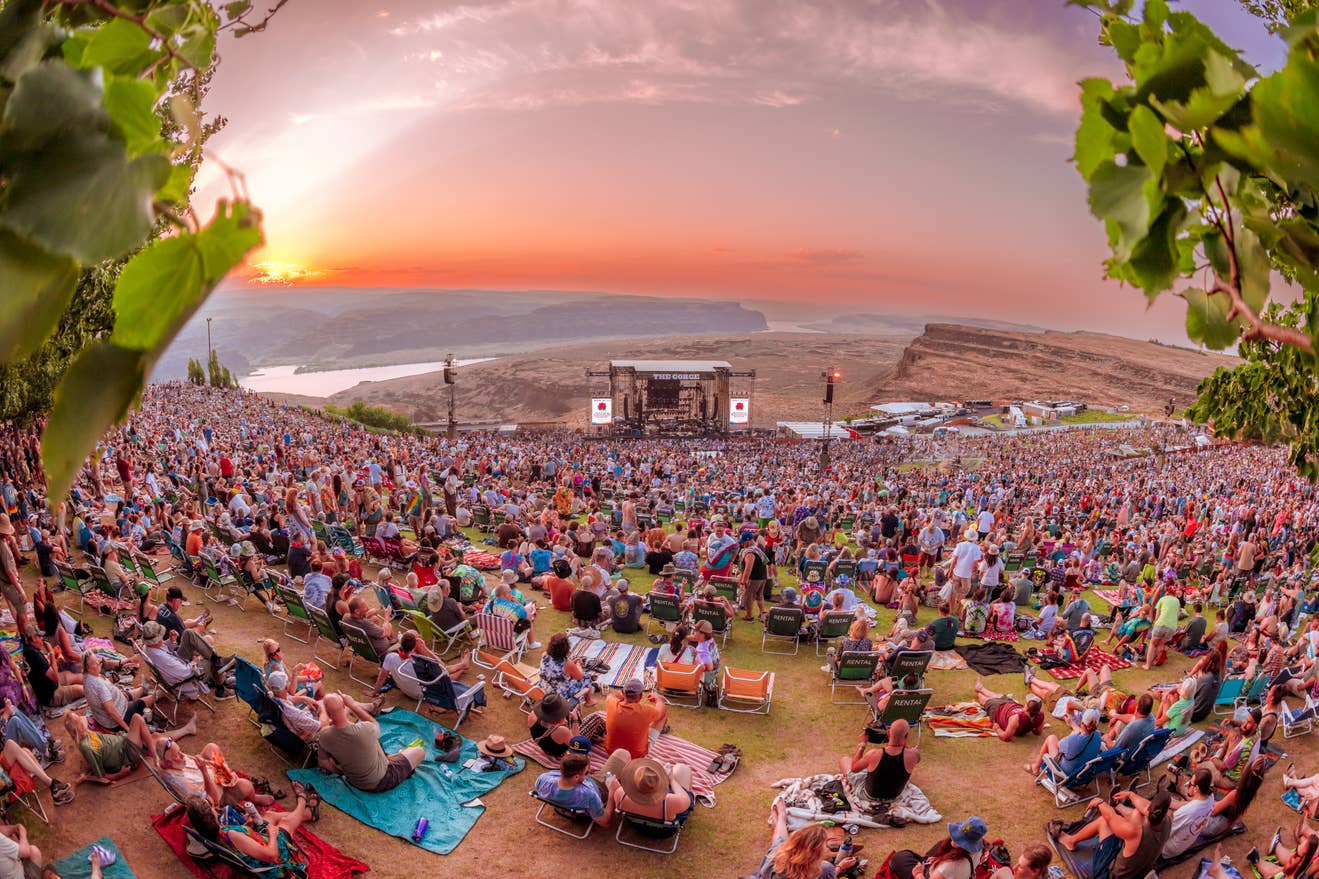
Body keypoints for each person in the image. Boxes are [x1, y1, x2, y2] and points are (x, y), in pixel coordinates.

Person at [1055, 788, 1173, 879]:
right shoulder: (1169, 818)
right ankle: (1119, 806)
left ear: (1149, 808)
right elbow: (1146, 808)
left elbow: (1110, 816)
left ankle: (1070, 841)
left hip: (1109, 875)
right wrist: (1131, 795)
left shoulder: (1135, 832)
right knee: (1136, 813)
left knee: (1104, 822)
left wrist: (1100, 802)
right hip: (1138, 874)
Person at [317, 692, 423, 793]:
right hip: (381, 780)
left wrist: (341, 772)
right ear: (344, 706)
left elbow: (324, 762)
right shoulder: (365, 729)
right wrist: (353, 705)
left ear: (328, 714)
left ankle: (394, 758)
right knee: (419, 751)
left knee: (373, 741)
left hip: (354, 781)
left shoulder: (324, 735)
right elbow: (374, 723)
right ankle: (399, 763)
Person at [751, 799, 854, 879]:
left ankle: (780, 820)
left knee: (779, 843)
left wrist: (781, 818)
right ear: (816, 855)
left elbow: (779, 840)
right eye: (824, 846)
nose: (826, 848)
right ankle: (779, 821)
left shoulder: (775, 857)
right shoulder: (825, 870)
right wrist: (840, 867)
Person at [608, 755, 696, 835]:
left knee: (656, 761)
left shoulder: (620, 794)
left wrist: (613, 788)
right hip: (665, 830)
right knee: (682, 768)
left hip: (636, 824)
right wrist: (672, 780)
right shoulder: (671, 801)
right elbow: (687, 800)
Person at [839, 718, 920, 804]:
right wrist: (903, 741)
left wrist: (862, 746)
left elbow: (854, 768)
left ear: (888, 733)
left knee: (844, 760)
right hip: (894, 797)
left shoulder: (874, 754)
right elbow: (908, 756)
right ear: (906, 736)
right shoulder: (914, 755)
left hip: (868, 796)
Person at [533, 752, 616, 828]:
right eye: (586, 773)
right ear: (576, 777)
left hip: (584, 784)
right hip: (600, 787)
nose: (588, 773)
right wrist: (612, 793)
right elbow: (605, 822)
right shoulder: (589, 795)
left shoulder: (543, 780)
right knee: (620, 753)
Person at [888, 817, 986, 879]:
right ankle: (924, 860)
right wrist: (938, 859)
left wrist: (918, 874)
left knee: (899, 857)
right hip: (949, 871)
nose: (954, 837)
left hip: (931, 875)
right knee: (941, 844)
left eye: (959, 838)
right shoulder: (979, 850)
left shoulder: (947, 867)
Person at [1024, 707, 1102, 778]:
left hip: (1064, 774)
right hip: (1082, 774)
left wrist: (1072, 733)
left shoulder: (1074, 739)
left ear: (1082, 722)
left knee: (1051, 738)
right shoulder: (1098, 736)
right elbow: (1084, 733)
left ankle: (1035, 768)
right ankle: (1035, 767)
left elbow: (1058, 745)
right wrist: (1072, 724)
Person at [603, 678, 667, 759]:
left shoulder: (612, 703)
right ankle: (663, 729)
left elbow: (610, 695)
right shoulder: (645, 711)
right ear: (640, 696)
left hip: (611, 752)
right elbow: (662, 710)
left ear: (623, 692)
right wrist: (658, 699)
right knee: (662, 716)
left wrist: (624, 696)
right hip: (635, 757)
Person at [972, 678, 1045, 742]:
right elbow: (1038, 732)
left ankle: (978, 692)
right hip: (1011, 704)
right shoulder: (1040, 716)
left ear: (1027, 709)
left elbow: (1006, 738)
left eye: (1026, 704)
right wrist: (1031, 725)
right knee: (998, 696)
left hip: (998, 711)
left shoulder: (1016, 719)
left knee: (985, 700)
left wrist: (997, 729)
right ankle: (981, 689)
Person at [539, 632, 594, 707]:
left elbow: (555, 667)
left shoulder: (544, 654)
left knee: (570, 676)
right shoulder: (567, 664)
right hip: (559, 695)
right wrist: (578, 664)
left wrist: (572, 664)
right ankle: (589, 701)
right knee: (586, 676)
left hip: (545, 687)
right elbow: (580, 676)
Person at [1146, 591, 1181, 669]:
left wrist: (1155, 624)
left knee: (1152, 643)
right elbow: (1177, 616)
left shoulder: (1162, 599)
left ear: (1167, 592)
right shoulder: (1177, 601)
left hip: (1161, 624)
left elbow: (1157, 616)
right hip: (1172, 627)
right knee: (1161, 644)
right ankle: (1155, 661)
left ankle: (1147, 665)